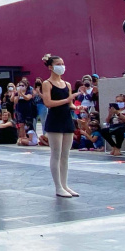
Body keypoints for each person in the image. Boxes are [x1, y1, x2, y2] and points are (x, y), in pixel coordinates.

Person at [40, 54, 79, 198]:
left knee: (65, 154)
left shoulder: (67, 84)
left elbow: (70, 104)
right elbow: (48, 103)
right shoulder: (47, 83)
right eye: (58, 64)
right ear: (50, 67)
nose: (61, 66)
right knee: (56, 154)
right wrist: (67, 100)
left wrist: (76, 107)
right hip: (55, 119)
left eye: (62, 63)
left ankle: (65, 184)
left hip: (66, 119)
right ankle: (58, 186)